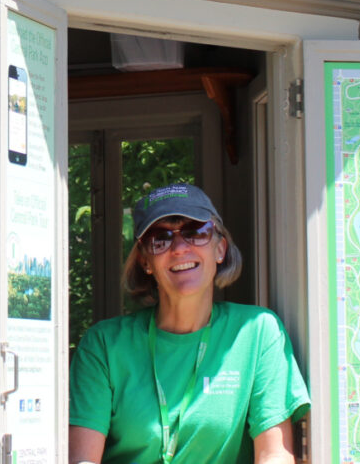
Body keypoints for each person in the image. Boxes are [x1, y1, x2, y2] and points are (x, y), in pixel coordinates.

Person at [69, 184, 309, 464]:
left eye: (196, 233)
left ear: (220, 249)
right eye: (161, 239)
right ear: (146, 261)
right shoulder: (104, 345)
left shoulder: (257, 332)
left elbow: (275, 454)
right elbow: (82, 460)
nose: (180, 248)